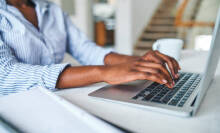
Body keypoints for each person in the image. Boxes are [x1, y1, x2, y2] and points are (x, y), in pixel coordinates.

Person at [0, 0, 180, 96]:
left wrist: (140, 62)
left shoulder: (51, 9)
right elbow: (6, 75)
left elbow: (86, 49)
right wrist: (103, 73)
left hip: (56, 99)